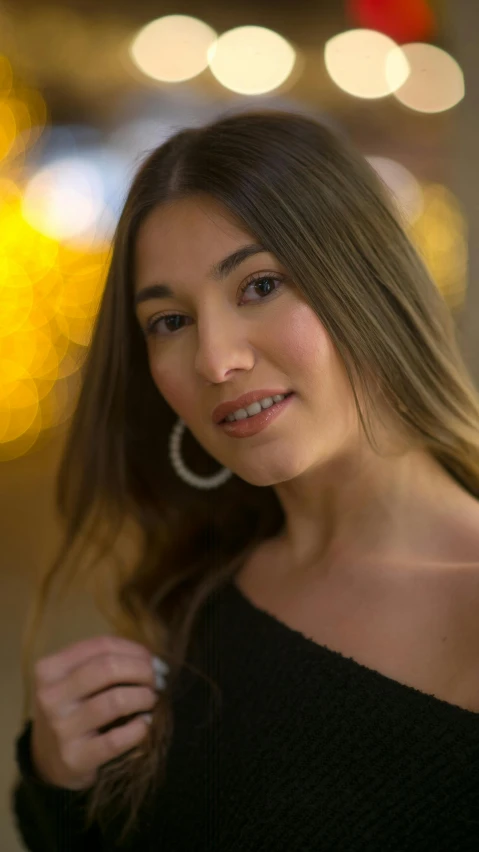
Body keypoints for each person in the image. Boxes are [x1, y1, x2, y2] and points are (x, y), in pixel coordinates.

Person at [11, 109, 479, 851]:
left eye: (259, 285)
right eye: (169, 321)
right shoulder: (198, 588)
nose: (214, 360)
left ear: (367, 281)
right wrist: (60, 783)